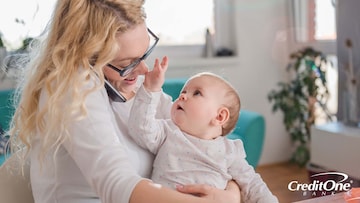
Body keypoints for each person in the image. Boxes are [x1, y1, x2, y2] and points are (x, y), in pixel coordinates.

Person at [7, 0, 241, 202]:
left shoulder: (136, 85)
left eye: (144, 55)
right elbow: (118, 186)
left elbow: (203, 143)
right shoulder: (73, 88)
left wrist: (231, 193)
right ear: (85, 55)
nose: (142, 70)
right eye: (125, 64)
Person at [128, 69, 279, 202]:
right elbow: (140, 128)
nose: (183, 96)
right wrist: (150, 91)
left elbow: (252, 184)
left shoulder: (230, 151)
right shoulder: (168, 131)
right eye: (183, 91)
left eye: (197, 93)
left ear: (219, 117)